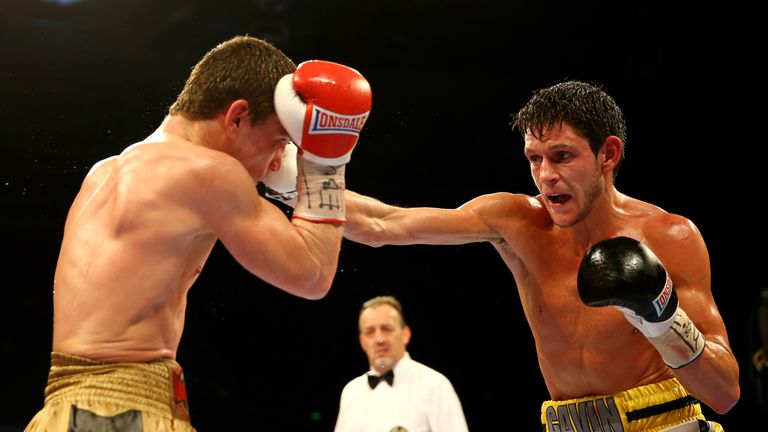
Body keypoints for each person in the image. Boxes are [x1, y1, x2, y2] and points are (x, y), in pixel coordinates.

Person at [268, 80, 739, 431]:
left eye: (562, 156)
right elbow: (383, 225)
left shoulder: (669, 236)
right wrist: (295, 177)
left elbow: (725, 392)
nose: (546, 175)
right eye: (535, 158)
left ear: (608, 154)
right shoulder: (516, 222)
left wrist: (662, 319)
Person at [24, 35, 372, 431]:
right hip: (119, 416)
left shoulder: (106, 172)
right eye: (279, 140)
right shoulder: (208, 172)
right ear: (236, 117)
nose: (279, 159)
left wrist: (459, 223)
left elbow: (377, 223)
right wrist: (327, 162)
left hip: (66, 412)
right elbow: (312, 273)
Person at [333, 295, 470, 432]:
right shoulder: (351, 392)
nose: (379, 339)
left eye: (387, 329)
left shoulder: (434, 386)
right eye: (370, 332)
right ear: (363, 342)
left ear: (405, 334)